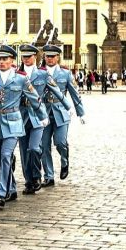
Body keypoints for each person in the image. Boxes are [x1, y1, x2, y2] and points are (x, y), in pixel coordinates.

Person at [0, 45, 41, 206]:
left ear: (12, 60)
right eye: (0, 59)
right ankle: (11, 189)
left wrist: (43, 116)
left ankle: (1, 192)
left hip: (13, 123)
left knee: (6, 155)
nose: (2, 61)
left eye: (5, 59)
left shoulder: (20, 78)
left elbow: (34, 98)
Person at [17, 44, 61, 194]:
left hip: (38, 116)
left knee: (34, 148)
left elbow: (56, 90)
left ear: (35, 56)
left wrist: (68, 107)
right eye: (24, 56)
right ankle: (28, 181)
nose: (26, 59)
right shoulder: (16, 74)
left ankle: (36, 176)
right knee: (24, 152)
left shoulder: (42, 74)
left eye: (29, 56)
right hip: (21, 116)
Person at [40, 44, 85, 185]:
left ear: (58, 57)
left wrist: (81, 113)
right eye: (47, 56)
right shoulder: (39, 72)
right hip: (44, 112)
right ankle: (48, 176)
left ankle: (64, 160)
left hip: (61, 111)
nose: (50, 59)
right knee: (44, 145)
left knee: (60, 142)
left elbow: (74, 93)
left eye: (52, 56)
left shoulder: (65, 74)